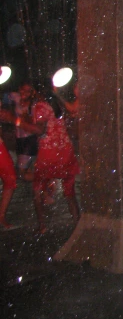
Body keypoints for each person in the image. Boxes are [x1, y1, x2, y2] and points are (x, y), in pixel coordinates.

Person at [0, 84, 81, 234]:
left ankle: (42, 226)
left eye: (29, 90)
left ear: (36, 92)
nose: (24, 92)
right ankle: (78, 226)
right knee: (70, 193)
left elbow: (39, 130)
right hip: (65, 151)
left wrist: (15, 121)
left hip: (49, 153)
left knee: (37, 191)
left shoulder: (41, 106)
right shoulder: (58, 105)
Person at [5, 82, 38, 182]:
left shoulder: (34, 105)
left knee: (21, 173)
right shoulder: (16, 98)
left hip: (29, 139)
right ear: (20, 89)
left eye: (28, 91)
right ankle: (39, 191)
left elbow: (34, 124)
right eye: (23, 89)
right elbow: (5, 93)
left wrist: (20, 119)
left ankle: (44, 179)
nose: (25, 93)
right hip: (19, 139)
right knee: (26, 170)